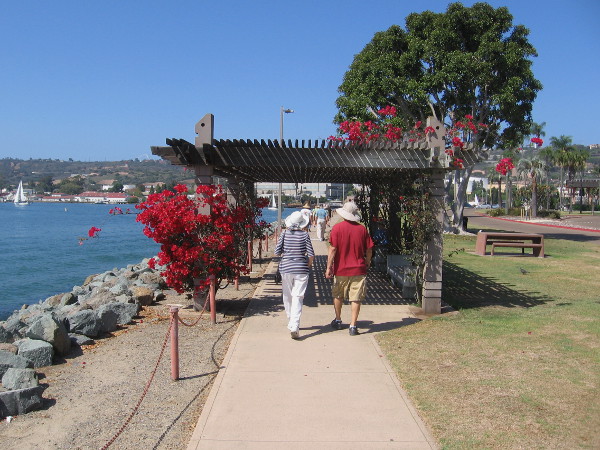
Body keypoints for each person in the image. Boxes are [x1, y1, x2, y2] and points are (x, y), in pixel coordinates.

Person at [325, 201, 374, 336]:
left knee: (338, 295)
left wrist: (329, 267)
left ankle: (338, 319)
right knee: (356, 298)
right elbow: (369, 249)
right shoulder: (362, 229)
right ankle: (353, 325)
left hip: (340, 268)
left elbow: (333, 249)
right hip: (358, 268)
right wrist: (368, 261)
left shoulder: (337, 228)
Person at [274, 211, 315, 339]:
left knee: (287, 295)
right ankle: (294, 324)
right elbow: (311, 254)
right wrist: (307, 265)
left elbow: (276, 252)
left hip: (286, 268)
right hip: (301, 269)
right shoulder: (305, 235)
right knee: (298, 296)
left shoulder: (284, 234)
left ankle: (291, 320)